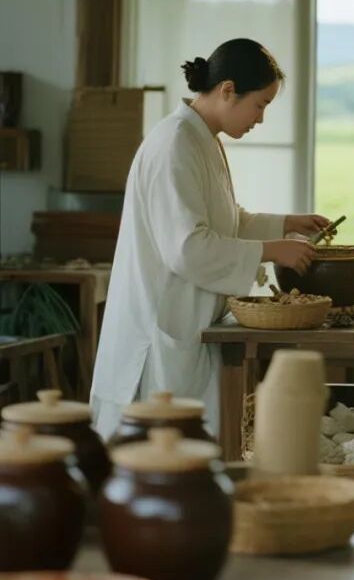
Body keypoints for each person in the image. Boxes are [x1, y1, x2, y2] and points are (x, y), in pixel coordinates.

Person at [91, 39, 328, 440]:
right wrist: (273, 251)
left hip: (188, 324)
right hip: (160, 331)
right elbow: (188, 247)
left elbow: (225, 222)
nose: (261, 119)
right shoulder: (175, 143)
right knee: (158, 457)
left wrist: (286, 224)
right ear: (228, 90)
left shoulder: (203, 138)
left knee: (188, 454)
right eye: (260, 105)